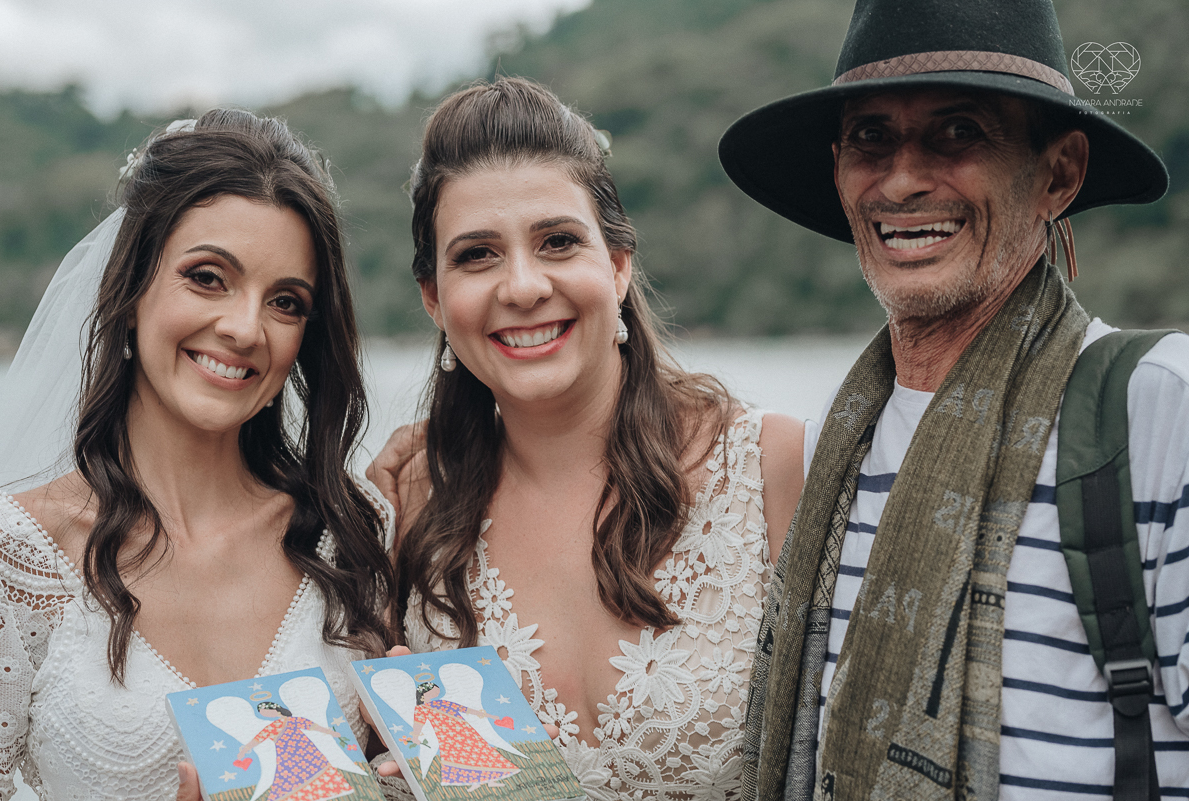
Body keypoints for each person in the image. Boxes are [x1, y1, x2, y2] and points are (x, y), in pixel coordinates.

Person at [717, 0, 1188, 798]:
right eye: (871, 137)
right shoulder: (841, 440)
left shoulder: (1155, 412)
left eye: (959, 131)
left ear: (1058, 174)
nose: (902, 179)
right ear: (838, 170)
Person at [368, 76, 805, 799]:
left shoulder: (772, 467)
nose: (523, 286)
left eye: (558, 242)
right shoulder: (407, 508)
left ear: (618, 264)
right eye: (477, 255)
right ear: (433, 299)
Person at [0, 109, 398, 800]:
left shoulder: (353, 535)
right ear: (131, 290)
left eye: (286, 302)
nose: (244, 328)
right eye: (208, 277)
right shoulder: (12, 557)